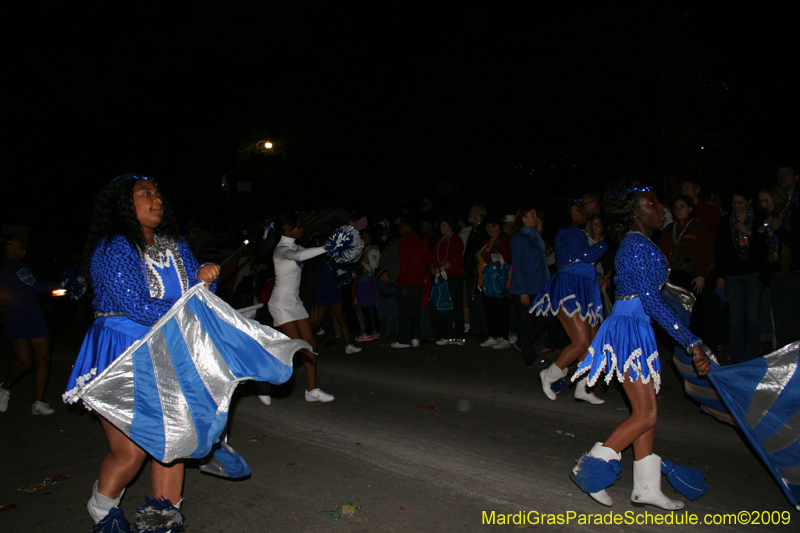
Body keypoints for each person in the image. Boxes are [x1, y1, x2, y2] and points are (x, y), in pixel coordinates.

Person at [63, 175, 220, 530]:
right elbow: (136, 305)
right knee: (130, 453)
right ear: (124, 204)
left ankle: (162, 522)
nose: (157, 200)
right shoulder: (113, 246)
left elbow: (196, 289)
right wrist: (188, 313)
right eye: (146, 193)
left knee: (174, 439)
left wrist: (206, 278)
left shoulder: (175, 243)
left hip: (168, 343)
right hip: (122, 351)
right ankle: (103, 511)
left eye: (158, 193)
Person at [571, 179, 711, 510]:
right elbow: (650, 299)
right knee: (646, 413)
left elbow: (657, 298)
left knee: (645, 410)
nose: (660, 208)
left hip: (636, 328)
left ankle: (646, 487)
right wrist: (691, 342)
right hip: (628, 329)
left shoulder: (644, 244)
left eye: (659, 203)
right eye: (652, 203)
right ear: (634, 212)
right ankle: (589, 467)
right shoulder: (635, 246)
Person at [532, 199, 607, 404]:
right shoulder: (567, 232)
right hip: (570, 290)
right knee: (581, 341)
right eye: (578, 209)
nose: (583, 212)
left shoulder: (578, 233)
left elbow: (587, 262)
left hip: (585, 290)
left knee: (591, 344)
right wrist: (609, 239)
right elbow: (589, 255)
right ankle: (550, 373)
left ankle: (582, 386)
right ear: (566, 213)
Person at [262, 212, 336, 404]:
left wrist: (333, 248)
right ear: (287, 228)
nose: (302, 229)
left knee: (310, 343)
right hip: (280, 303)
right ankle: (262, 381)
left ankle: (311, 391)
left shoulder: (295, 246)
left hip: (295, 302)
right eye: (299, 226)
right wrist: (327, 247)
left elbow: (306, 252)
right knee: (295, 348)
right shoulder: (282, 249)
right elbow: (301, 255)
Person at [0, 235, 63, 415]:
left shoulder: (23, 267)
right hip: (16, 318)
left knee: (43, 359)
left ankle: (38, 403)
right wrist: (62, 284)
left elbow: (38, 284)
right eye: (20, 245)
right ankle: (4, 388)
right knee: (25, 362)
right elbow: (34, 288)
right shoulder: (8, 269)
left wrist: (60, 284)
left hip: (34, 316)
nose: (24, 249)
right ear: (8, 247)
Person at [715, 191, 766, 362]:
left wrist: (749, 232)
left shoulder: (760, 218)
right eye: (734, 203)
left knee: (753, 316)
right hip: (733, 275)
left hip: (753, 273)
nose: (737, 207)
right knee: (735, 317)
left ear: (749, 201)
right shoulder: (726, 221)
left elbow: (766, 245)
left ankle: (752, 356)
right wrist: (720, 275)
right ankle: (736, 356)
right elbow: (720, 249)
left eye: (740, 203)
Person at [508, 206, 550, 366]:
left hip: (538, 286)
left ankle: (523, 342)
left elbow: (542, 254)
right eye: (532, 215)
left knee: (546, 317)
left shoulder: (533, 237)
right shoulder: (519, 238)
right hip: (524, 287)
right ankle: (529, 355)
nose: (535, 217)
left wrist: (539, 231)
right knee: (526, 321)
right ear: (523, 218)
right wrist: (523, 291)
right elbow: (517, 265)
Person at [658, 196, 714, 295]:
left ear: (690, 209)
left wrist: (702, 275)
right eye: (676, 207)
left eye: (682, 207)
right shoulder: (669, 228)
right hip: (674, 273)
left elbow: (706, 251)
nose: (678, 210)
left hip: (694, 274)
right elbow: (663, 251)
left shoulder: (698, 226)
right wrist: (666, 275)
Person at [476, 216, 513, 349]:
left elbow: (504, 257)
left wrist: (487, 256)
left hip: (498, 280)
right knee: (490, 308)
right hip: (488, 280)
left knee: (500, 308)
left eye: (489, 226)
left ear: (497, 226)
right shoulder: (490, 241)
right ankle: (493, 335)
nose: (486, 229)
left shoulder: (504, 240)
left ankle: (503, 337)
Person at [429, 214, 466, 345]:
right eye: (441, 225)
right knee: (443, 305)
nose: (442, 228)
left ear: (450, 226)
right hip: (441, 277)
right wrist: (433, 268)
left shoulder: (456, 239)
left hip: (454, 276)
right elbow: (433, 258)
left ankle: (460, 335)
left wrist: (441, 268)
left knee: (456, 305)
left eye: (444, 225)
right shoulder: (439, 241)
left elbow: (454, 258)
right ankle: (446, 334)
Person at [394, 218, 429, 348]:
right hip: (418, 282)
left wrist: (402, 283)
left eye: (402, 227)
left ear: (408, 227)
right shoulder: (421, 240)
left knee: (403, 312)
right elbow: (426, 260)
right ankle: (415, 338)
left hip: (408, 281)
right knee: (416, 311)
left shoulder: (403, 242)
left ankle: (404, 339)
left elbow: (404, 263)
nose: (400, 230)